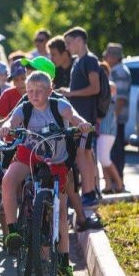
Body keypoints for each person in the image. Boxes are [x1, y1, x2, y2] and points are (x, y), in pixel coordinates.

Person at [0, 71, 91, 276]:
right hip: (29, 154)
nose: (34, 95)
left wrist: (82, 124)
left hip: (56, 159)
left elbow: (75, 117)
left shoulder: (59, 105)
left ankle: (64, 263)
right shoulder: (26, 107)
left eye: (40, 91)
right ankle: (12, 231)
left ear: (50, 91)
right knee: (9, 180)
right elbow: (14, 119)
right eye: (30, 91)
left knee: (60, 209)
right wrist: (7, 127)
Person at [56, 27, 101, 213]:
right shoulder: (79, 61)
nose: (67, 47)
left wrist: (70, 93)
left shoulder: (89, 60)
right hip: (80, 118)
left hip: (86, 118)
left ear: (79, 40)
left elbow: (95, 87)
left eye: (68, 42)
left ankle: (90, 193)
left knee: (84, 154)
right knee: (85, 153)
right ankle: (90, 192)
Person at [97, 62, 125, 194]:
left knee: (104, 158)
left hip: (108, 127)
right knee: (103, 157)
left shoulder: (109, 85)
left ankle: (119, 183)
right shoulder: (101, 86)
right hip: (101, 128)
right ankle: (108, 185)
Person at [104, 43, 131, 180]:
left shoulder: (119, 72)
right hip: (114, 117)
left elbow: (120, 98)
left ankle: (117, 179)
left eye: (107, 55)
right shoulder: (116, 70)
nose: (105, 58)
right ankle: (116, 179)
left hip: (116, 118)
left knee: (117, 149)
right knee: (114, 148)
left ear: (114, 57)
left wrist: (113, 117)